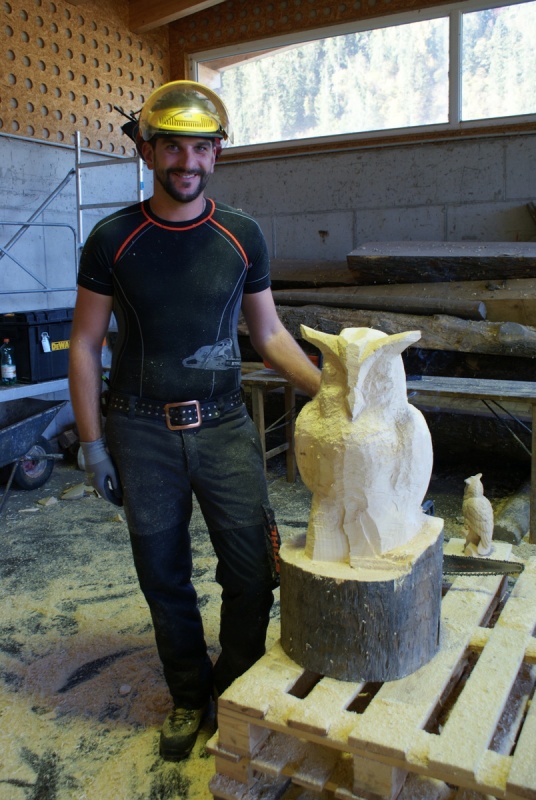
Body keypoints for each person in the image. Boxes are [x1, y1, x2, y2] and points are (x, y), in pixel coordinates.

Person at [68, 80, 321, 761]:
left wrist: (330, 388)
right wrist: (92, 445)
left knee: (253, 572)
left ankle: (233, 688)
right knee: (163, 575)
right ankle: (188, 695)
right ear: (148, 151)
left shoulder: (241, 235)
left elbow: (269, 334)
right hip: (139, 430)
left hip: (224, 426)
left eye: (201, 147)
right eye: (174, 146)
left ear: (217, 154)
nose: (188, 161)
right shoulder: (112, 239)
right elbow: (85, 344)